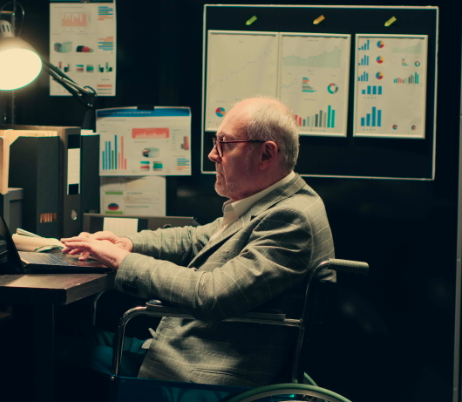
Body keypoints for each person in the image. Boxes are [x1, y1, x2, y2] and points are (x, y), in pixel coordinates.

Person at [61, 97, 335, 387]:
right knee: (62, 331)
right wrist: (126, 243)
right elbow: (193, 237)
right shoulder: (271, 202)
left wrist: (122, 261)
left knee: (50, 349)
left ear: (266, 154)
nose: (212, 155)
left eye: (224, 144)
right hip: (185, 351)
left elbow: (211, 295)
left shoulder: (291, 219)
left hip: (205, 376)